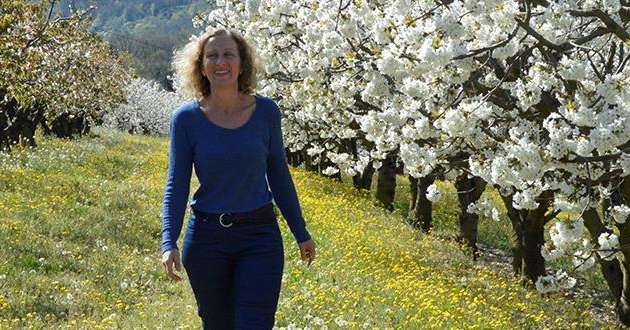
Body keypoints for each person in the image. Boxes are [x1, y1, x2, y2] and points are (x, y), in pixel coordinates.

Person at [160, 28, 316, 330]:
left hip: (260, 237)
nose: (221, 62)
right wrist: (169, 241)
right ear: (201, 66)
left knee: (255, 323)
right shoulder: (186, 119)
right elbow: (176, 186)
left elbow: (279, 176)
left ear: (242, 64)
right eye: (212, 56)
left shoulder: (267, 112)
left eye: (228, 54)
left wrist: (300, 231)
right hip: (206, 240)